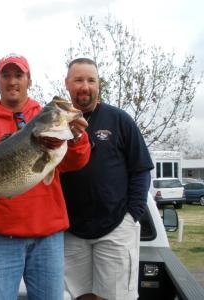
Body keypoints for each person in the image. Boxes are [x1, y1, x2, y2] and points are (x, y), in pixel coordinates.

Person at [0, 53, 91, 300]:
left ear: (29, 81)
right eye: (6, 75)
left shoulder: (49, 118)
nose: (12, 81)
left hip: (48, 238)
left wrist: (78, 137)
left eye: (19, 75)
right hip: (2, 238)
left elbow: (75, 162)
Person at [60, 57, 154, 300]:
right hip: (71, 230)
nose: (85, 86)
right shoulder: (57, 122)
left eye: (91, 80)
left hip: (115, 228)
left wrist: (132, 214)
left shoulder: (119, 119)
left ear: (98, 84)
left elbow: (141, 168)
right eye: (78, 79)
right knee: (81, 296)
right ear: (67, 84)